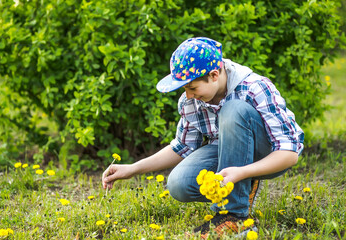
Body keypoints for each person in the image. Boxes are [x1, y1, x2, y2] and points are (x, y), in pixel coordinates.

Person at [102, 37, 304, 238]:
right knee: (179, 184)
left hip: (268, 154)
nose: (188, 95)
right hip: (227, 153)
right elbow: (181, 147)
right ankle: (242, 190)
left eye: (192, 88)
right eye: (184, 89)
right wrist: (132, 168)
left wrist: (242, 172)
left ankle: (234, 216)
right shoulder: (190, 102)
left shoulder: (255, 87)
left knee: (233, 110)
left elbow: (289, 153)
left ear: (214, 74)